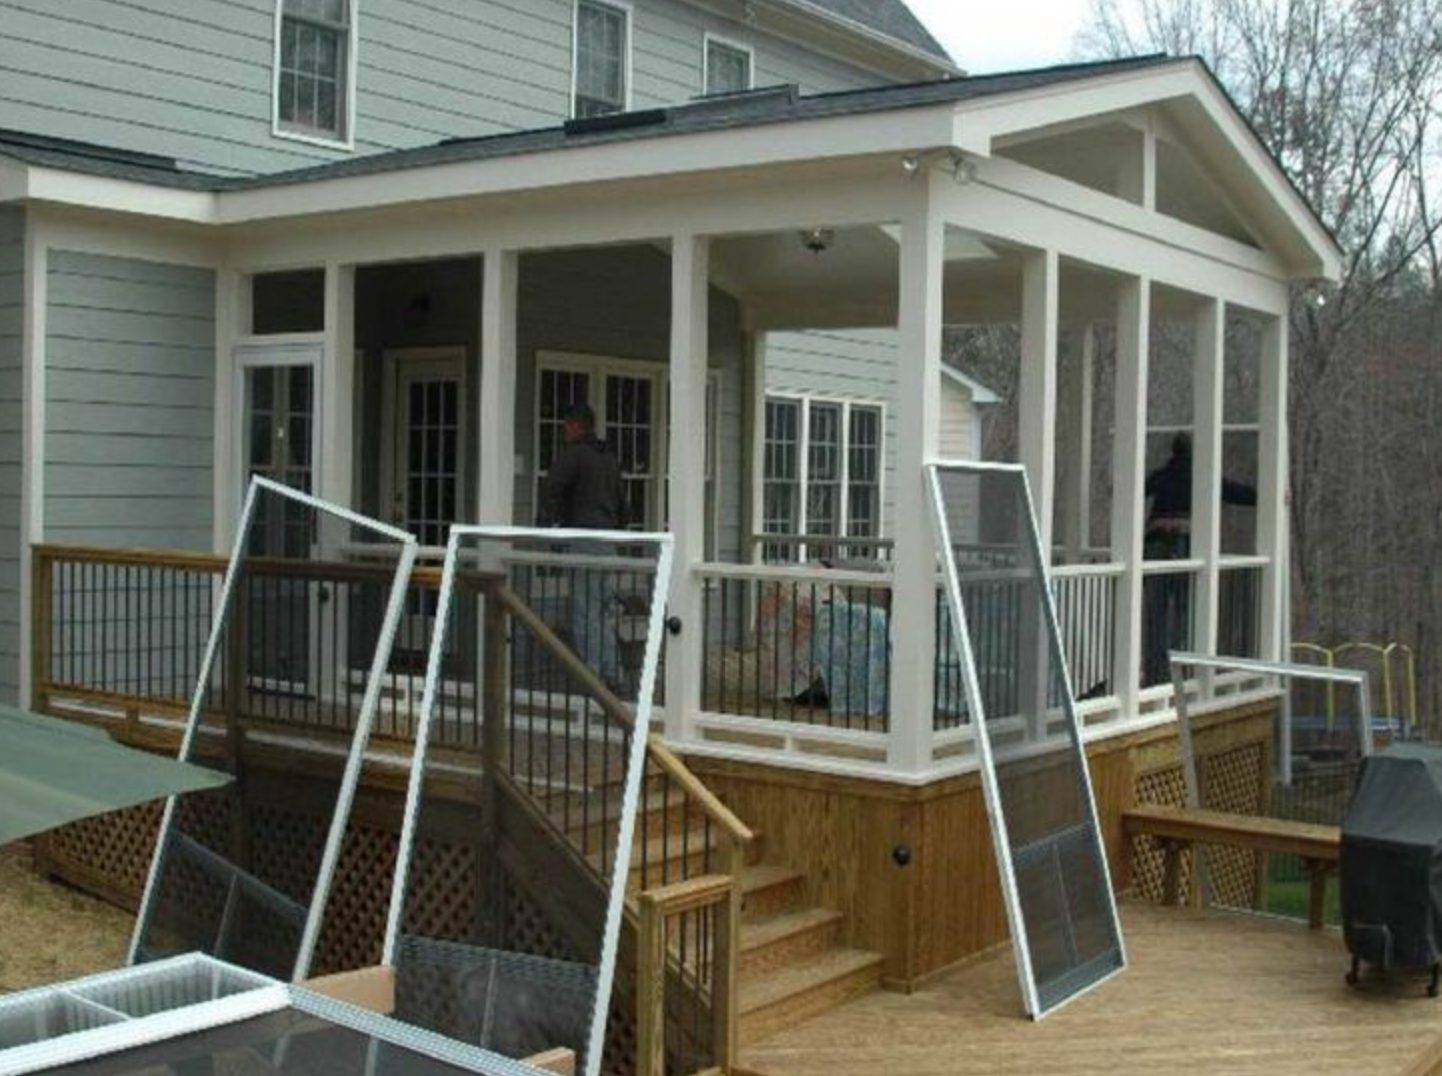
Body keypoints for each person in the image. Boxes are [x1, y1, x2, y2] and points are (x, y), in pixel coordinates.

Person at [1142, 432, 1257, 685]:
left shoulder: (1163, 475)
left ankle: (1156, 673)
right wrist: (1269, 494)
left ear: (1173, 451)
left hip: (1155, 548)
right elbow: (1237, 492)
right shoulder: (1202, 475)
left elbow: (1136, 491)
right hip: (1185, 548)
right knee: (1185, 610)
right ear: (1192, 452)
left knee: (1157, 612)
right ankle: (1179, 670)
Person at [537, 403, 627, 690]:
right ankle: (613, 674)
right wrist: (618, 532)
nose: (564, 431)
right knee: (602, 612)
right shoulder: (609, 459)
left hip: (584, 540)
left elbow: (551, 488)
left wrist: (544, 529)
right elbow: (624, 505)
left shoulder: (574, 455)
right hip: (609, 543)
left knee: (584, 611)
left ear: (576, 426)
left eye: (566, 426)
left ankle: (593, 678)